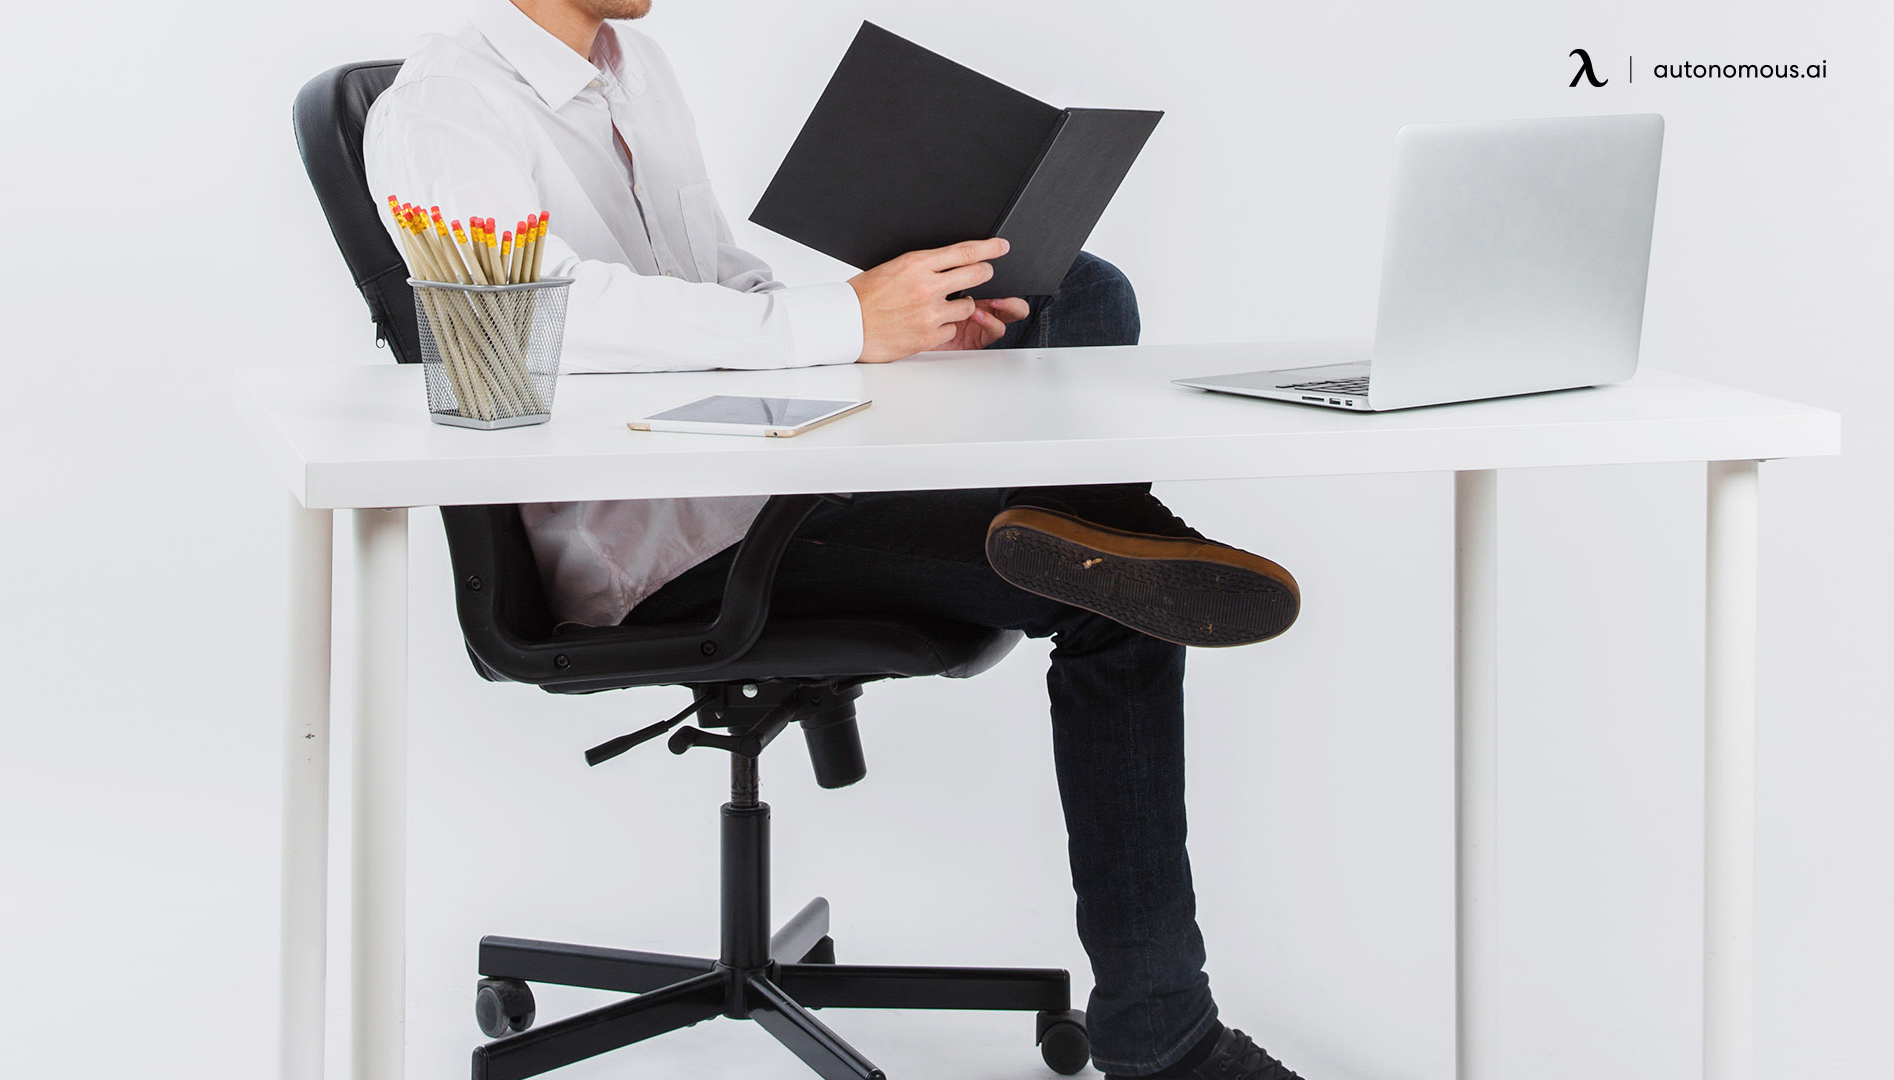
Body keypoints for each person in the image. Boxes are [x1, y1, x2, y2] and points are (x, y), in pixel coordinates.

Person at [365, 3, 1305, 1077]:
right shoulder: (441, 107)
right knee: (1116, 604)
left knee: (1081, 291)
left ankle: (1107, 538)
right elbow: (539, 315)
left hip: (769, 473)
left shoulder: (637, 70)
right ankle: (1166, 1037)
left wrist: (901, 333)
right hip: (663, 550)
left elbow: (723, 289)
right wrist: (846, 325)